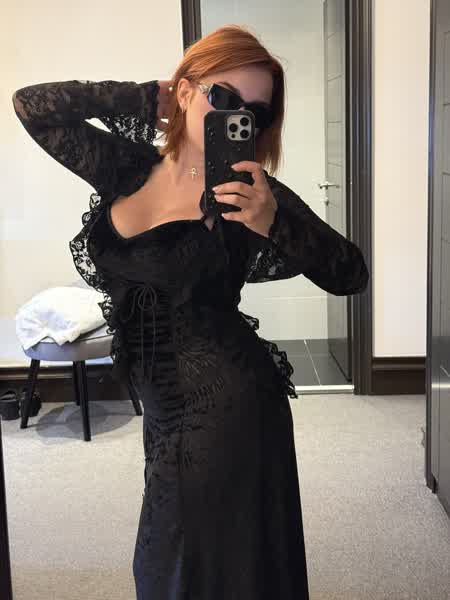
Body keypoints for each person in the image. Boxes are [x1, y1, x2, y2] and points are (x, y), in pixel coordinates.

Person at [12, 23, 368, 600]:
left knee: (187, 564)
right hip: (162, 409)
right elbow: (32, 106)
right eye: (222, 97)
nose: (237, 117)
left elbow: (351, 273)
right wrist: (139, 96)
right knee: (184, 559)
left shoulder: (250, 196)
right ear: (183, 90)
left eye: (254, 111)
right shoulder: (126, 167)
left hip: (227, 405)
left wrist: (273, 222)